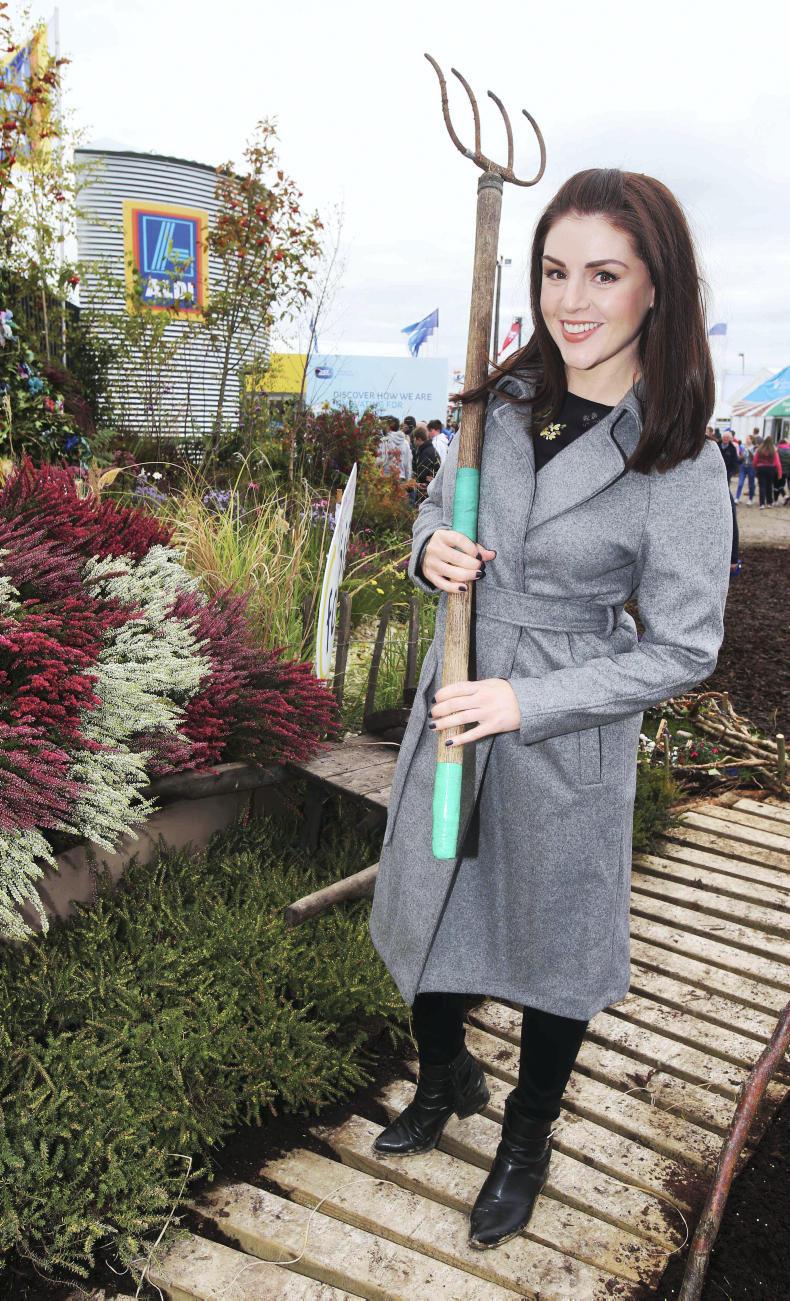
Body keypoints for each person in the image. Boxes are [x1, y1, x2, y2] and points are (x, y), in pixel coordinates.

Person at [369, 167, 732, 1251]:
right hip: (455, 687)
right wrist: (428, 547)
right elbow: (442, 506)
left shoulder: (676, 456)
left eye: (604, 274)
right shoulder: (495, 402)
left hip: (560, 719)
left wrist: (527, 699)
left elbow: (684, 644)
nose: (572, 300)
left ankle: (527, 1129)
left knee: (552, 940)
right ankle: (446, 1075)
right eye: (555, 269)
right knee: (427, 901)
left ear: (653, 290)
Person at [377, 415, 413, 482]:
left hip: (386, 479)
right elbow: (408, 464)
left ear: (388, 427)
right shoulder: (405, 443)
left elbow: (380, 461)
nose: (382, 428)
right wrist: (408, 481)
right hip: (401, 478)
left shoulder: (384, 441)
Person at [413, 424, 441, 499]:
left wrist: (416, 483)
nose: (413, 441)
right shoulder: (430, 450)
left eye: (414, 439)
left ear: (418, 439)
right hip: (433, 487)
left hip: (425, 491)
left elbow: (422, 475)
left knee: (422, 509)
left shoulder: (425, 453)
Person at [753, 435, 782, 509]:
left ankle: (762, 504)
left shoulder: (760, 449)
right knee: (769, 486)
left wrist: (755, 468)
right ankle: (769, 503)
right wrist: (779, 473)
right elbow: (777, 462)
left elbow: (755, 460)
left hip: (761, 468)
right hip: (771, 469)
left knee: (762, 486)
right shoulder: (773, 450)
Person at [734, 433, 756, 505]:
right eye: (746, 439)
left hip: (751, 466)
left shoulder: (754, 448)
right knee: (740, 483)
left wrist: (748, 451)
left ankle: (750, 499)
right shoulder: (743, 446)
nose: (747, 440)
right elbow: (740, 456)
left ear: (752, 440)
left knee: (751, 484)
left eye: (748, 439)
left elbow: (754, 458)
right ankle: (737, 498)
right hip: (743, 466)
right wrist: (741, 455)